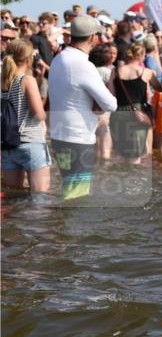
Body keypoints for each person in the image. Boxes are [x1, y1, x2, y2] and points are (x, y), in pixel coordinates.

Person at [47, 15, 118, 199]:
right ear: (93, 37)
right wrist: (110, 80)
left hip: (59, 137)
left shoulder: (58, 58)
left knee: (69, 189)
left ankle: (60, 218)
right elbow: (111, 104)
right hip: (78, 140)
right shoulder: (83, 64)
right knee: (77, 195)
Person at [1, 39, 50, 194]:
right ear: (29, 59)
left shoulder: (2, 81)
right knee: (40, 196)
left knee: (13, 195)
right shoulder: (27, 80)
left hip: (8, 145)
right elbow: (38, 114)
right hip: (30, 142)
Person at [108, 42, 153, 164]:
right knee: (135, 156)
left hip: (118, 113)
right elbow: (148, 94)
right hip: (136, 114)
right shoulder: (145, 72)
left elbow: (111, 94)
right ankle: (132, 176)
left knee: (120, 155)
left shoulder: (115, 72)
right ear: (141, 55)